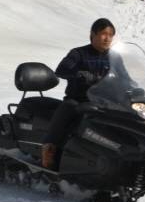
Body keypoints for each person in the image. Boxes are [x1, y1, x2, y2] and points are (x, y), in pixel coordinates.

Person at [40, 19, 115, 169]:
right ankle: (49, 149)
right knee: (69, 107)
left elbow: (124, 76)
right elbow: (62, 70)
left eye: (110, 35)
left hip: (104, 102)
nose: (107, 38)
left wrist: (134, 85)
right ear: (93, 35)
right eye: (103, 34)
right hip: (79, 99)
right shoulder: (79, 53)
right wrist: (79, 73)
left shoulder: (114, 57)